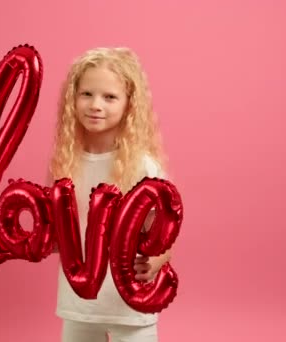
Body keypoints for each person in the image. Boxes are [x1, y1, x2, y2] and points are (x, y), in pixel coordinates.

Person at [48, 47, 172, 342]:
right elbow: (59, 235)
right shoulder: (66, 162)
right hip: (80, 304)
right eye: (87, 94)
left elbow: (164, 230)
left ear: (129, 104)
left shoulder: (141, 165)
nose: (95, 105)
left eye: (109, 97)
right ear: (73, 98)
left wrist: (158, 261)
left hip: (129, 305)